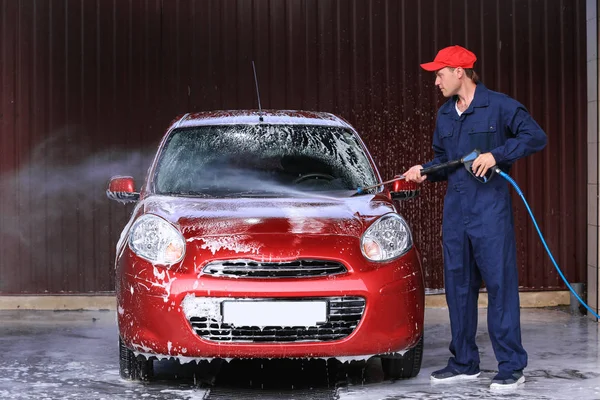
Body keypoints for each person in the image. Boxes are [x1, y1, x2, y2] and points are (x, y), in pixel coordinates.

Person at [403, 45, 547, 389]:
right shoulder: (445, 115)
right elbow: (444, 161)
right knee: (458, 289)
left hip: (490, 212)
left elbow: (535, 137)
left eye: (439, 73)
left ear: (459, 72)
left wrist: (497, 154)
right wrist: (423, 170)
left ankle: (512, 365)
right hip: (456, 214)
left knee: (500, 287)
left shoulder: (499, 105)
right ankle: (465, 362)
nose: (436, 81)